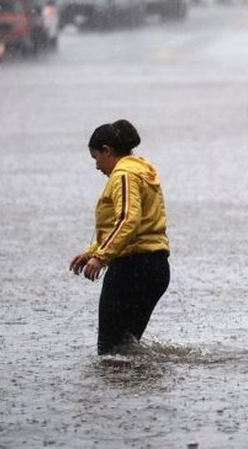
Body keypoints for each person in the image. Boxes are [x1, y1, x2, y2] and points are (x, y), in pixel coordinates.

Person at [69, 119, 170, 355]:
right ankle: (139, 388)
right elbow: (131, 224)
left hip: (132, 270)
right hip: (155, 268)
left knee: (109, 351)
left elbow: (128, 220)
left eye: (96, 158)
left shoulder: (123, 175)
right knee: (126, 348)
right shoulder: (143, 170)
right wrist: (91, 252)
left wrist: (101, 257)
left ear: (107, 150)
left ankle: (117, 391)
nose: (97, 167)